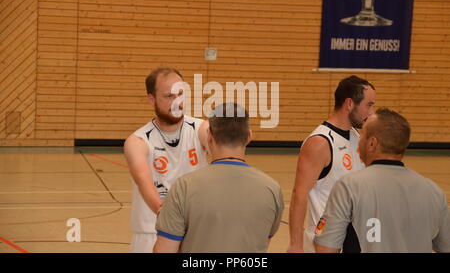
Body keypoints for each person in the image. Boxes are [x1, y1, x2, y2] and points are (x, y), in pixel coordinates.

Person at [314, 108, 450, 253]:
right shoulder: (433, 192)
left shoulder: (349, 186)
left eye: (363, 136)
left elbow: (325, 248)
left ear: (372, 143)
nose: (358, 142)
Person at [153, 103, 284, 253]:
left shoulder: (184, 187)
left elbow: (164, 250)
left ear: (209, 135)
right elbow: (261, 243)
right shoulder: (271, 189)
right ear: (249, 136)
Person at [124, 67, 209, 253]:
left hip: (194, 233)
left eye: (180, 94)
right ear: (151, 99)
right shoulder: (138, 141)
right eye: (169, 96)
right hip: (151, 234)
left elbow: (222, 147)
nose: (177, 102)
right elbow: (145, 185)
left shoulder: (202, 128)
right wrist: (171, 222)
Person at [288, 75, 376, 253]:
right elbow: (299, 194)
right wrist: (296, 244)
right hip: (325, 243)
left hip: (352, 239)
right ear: (350, 104)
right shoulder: (320, 142)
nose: (371, 112)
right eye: (369, 105)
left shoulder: (356, 136)